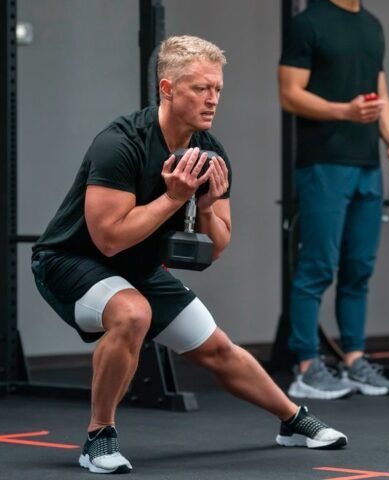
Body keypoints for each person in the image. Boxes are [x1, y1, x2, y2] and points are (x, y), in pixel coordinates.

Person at [31, 35, 347, 475]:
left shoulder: (211, 153)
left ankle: (293, 420)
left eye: (217, 88)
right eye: (200, 88)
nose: (212, 99)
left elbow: (215, 248)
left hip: (136, 270)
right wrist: (174, 198)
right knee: (133, 313)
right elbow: (108, 240)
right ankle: (98, 437)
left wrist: (208, 207)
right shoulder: (120, 143)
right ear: (167, 89)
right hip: (69, 262)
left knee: (217, 348)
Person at [277, 0, 389, 400]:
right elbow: (290, 94)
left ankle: (354, 360)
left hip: (366, 163)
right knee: (317, 266)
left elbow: (379, 88)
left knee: (359, 268)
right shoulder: (308, 25)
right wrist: (344, 112)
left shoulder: (371, 25)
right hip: (323, 164)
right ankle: (306, 367)